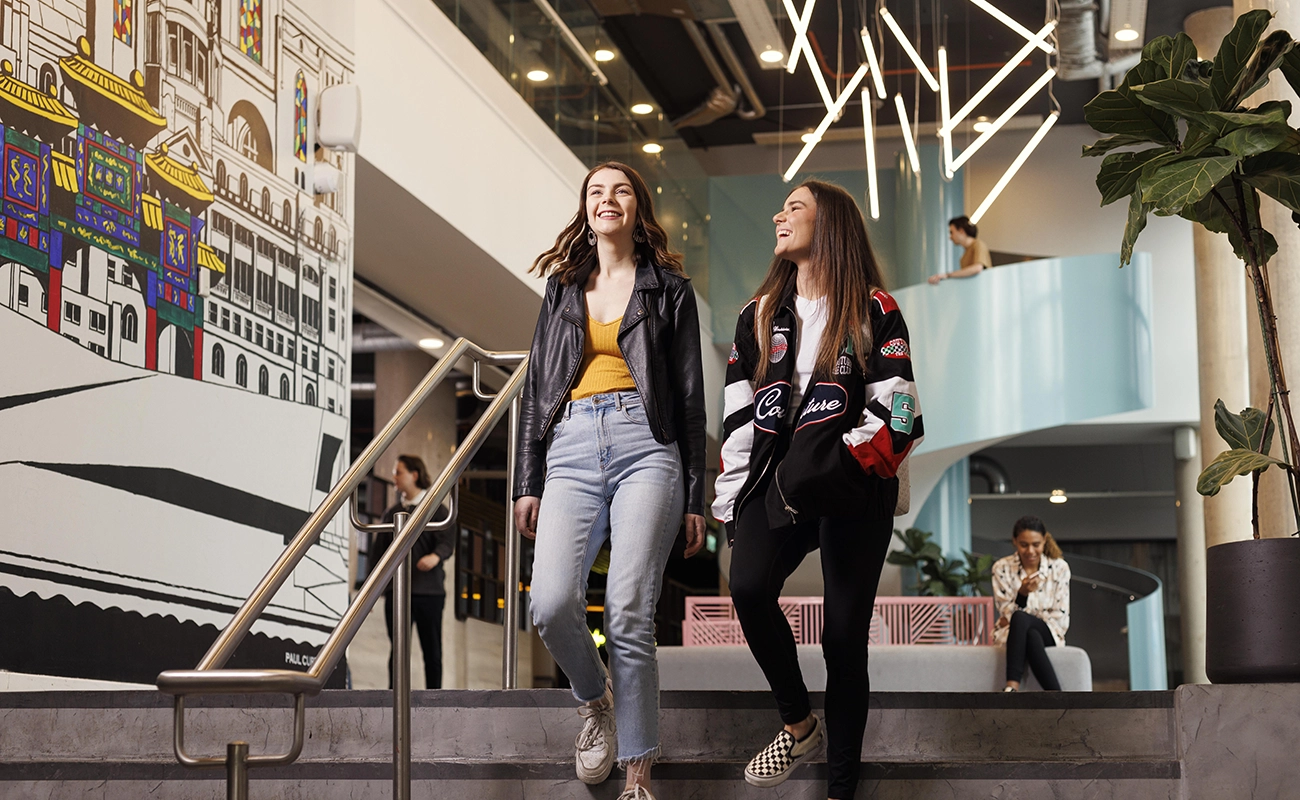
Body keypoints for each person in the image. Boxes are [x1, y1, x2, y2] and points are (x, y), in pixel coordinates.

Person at [713, 180, 924, 800]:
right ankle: (799, 725)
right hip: (775, 478)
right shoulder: (758, 315)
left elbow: (900, 412)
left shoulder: (875, 308)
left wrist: (839, 462)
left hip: (854, 483)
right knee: (748, 587)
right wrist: (732, 496)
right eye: (780, 207)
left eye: (795, 207)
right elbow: (737, 414)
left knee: (841, 638)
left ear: (829, 225)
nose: (779, 215)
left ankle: (841, 790)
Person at [512, 161, 707, 800]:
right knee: (550, 602)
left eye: (620, 190)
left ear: (637, 207)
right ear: (586, 210)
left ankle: (637, 774)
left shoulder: (669, 290)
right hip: (569, 445)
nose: (607, 199)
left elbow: (687, 395)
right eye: (596, 191)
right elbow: (536, 390)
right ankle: (595, 700)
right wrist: (527, 480)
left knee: (627, 610)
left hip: (646, 445)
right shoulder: (563, 289)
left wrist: (697, 495)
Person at [371, 454, 455, 689]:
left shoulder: (435, 509)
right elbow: (378, 553)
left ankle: (436, 701)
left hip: (429, 593)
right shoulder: (392, 513)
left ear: (414, 475)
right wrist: (371, 592)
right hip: (397, 593)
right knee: (397, 652)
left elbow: (448, 541)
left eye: (399, 472)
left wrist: (435, 556)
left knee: (432, 652)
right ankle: (393, 698)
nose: (394, 477)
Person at [992, 515, 1071, 692]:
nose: (1030, 551)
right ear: (1014, 542)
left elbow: (1060, 618)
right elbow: (1006, 614)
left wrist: (1022, 612)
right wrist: (1022, 594)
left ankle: (1011, 687)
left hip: (1050, 632)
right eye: (1024, 545)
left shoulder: (1059, 568)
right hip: (1014, 635)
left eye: (1036, 545)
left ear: (1044, 541)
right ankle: (1058, 698)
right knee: (1031, 634)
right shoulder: (1001, 568)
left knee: (1021, 618)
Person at [928, 215, 991, 284]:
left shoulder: (978, 245)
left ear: (961, 231)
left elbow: (977, 268)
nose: (950, 237)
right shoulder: (965, 255)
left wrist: (948, 275)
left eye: (952, 232)